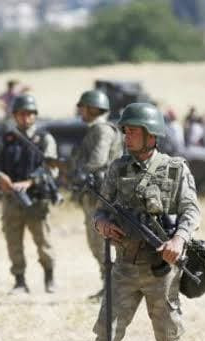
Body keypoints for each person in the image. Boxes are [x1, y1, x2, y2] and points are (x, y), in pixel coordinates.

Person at [72, 102, 201, 341]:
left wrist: (178, 240)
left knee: (168, 334)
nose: (126, 136)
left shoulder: (175, 168)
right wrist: (102, 224)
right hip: (125, 266)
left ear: (151, 135)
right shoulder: (117, 169)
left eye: (132, 131)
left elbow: (191, 210)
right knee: (107, 332)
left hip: (162, 268)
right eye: (125, 131)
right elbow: (100, 211)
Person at [0, 94, 58, 294]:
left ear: (35, 115)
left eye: (29, 114)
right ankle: (20, 281)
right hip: (11, 199)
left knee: (43, 242)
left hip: (37, 199)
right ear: (15, 115)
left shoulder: (44, 139)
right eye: (21, 114)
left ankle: (50, 278)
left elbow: (53, 168)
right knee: (13, 242)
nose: (26, 118)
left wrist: (31, 181)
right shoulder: (5, 139)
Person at [69, 90, 123, 300]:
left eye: (83, 107)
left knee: (100, 243)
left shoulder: (102, 130)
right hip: (95, 194)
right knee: (96, 243)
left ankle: (114, 288)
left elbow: (98, 161)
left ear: (93, 108)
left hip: (101, 195)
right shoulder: (96, 129)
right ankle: (108, 286)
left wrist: (77, 170)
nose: (80, 111)